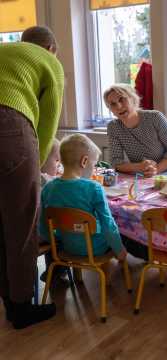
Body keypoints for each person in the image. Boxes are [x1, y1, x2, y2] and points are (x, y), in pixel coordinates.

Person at [0, 26, 64, 329]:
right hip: (8, 127)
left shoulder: (5, 51)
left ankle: (8, 299)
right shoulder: (49, 60)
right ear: (51, 47)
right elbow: (48, 123)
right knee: (21, 224)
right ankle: (21, 307)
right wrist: (36, 171)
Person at [39, 134, 127, 260]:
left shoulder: (48, 188)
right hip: (96, 248)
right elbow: (108, 224)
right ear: (84, 161)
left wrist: (56, 241)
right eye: (94, 164)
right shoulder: (94, 188)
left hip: (67, 247)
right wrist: (119, 250)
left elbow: (43, 225)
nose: (94, 168)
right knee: (122, 232)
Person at [104, 84, 167, 178]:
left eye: (121, 99)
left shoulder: (155, 117)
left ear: (133, 99)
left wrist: (156, 169)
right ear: (110, 109)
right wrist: (139, 166)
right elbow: (116, 162)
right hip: (147, 173)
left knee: (166, 188)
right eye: (113, 104)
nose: (119, 106)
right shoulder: (113, 127)